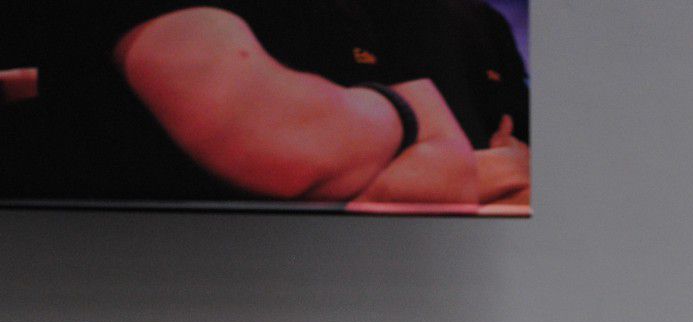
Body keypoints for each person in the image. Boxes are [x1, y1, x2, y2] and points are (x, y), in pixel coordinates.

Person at [1, 2, 528, 207]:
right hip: (158, 314)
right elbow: (288, 152)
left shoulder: (464, 22)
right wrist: (425, 127)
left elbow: (529, 178)